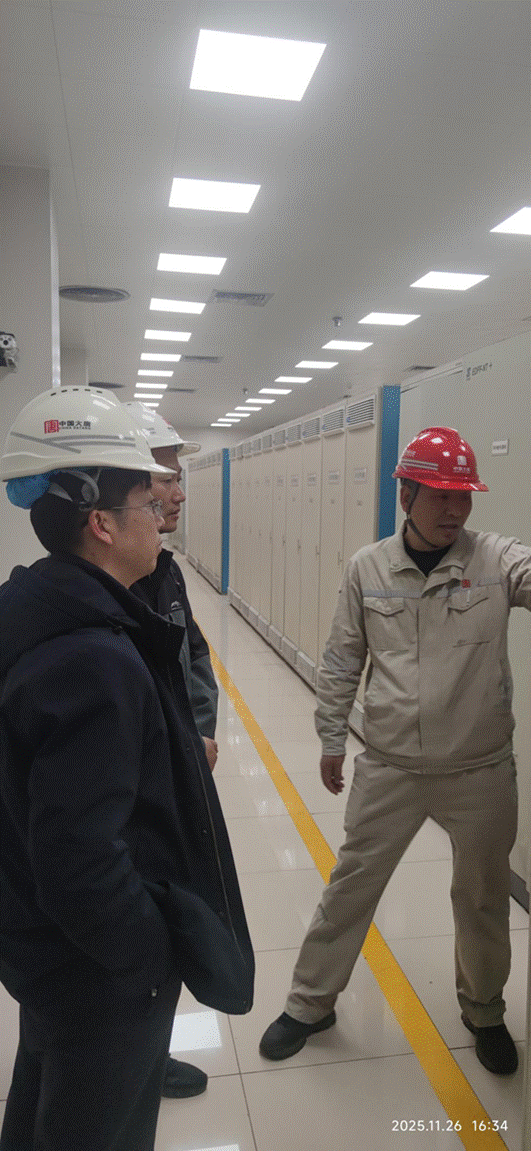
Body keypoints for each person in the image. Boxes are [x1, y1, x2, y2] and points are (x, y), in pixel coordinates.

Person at [0, 387, 253, 1151]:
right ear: (102, 523)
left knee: (44, 1097)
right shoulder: (92, 657)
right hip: (96, 970)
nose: (161, 510)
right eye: (147, 497)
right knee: (96, 1128)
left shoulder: (34, 607)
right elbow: (80, 859)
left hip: (42, 944)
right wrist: (146, 960)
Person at [260, 426, 531, 1076]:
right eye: (439, 495)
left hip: (479, 769)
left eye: (462, 495)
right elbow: (341, 658)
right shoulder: (368, 567)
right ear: (405, 494)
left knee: (483, 894)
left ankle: (484, 1009)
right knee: (352, 884)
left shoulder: (494, 559)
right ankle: (309, 1002)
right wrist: (331, 735)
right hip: (390, 766)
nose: (454, 509)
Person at [126, 401, 218, 1098]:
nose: (180, 491)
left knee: (171, 925)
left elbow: (195, 657)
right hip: (141, 794)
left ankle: (147, 1053)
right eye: (166, 476)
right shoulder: (113, 582)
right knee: (140, 927)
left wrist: (203, 733)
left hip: (180, 772)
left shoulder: (164, 570)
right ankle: (130, 1061)